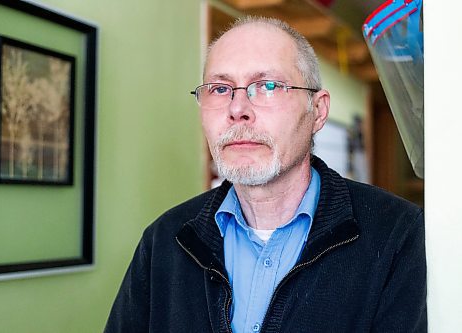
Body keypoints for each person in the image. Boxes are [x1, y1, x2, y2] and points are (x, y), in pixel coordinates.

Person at [105, 16, 426, 333]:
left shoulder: (397, 234)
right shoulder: (165, 240)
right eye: (219, 88)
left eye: (268, 85)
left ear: (318, 111)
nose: (237, 108)